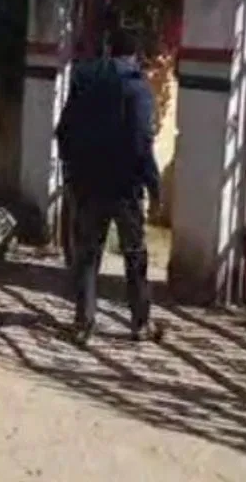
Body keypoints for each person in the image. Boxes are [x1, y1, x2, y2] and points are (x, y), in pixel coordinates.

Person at [55, 26, 163, 346]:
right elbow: (142, 141)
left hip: (88, 181)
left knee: (88, 254)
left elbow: (63, 131)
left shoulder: (84, 79)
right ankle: (140, 323)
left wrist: (71, 171)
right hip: (125, 186)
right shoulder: (137, 87)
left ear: (108, 48)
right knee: (134, 253)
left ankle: (83, 323)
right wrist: (153, 184)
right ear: (135, 54)